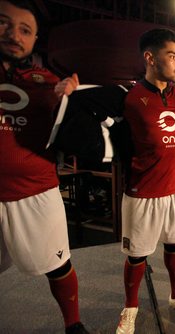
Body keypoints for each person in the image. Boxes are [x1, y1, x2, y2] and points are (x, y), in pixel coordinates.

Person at [0, 1, 87, 333]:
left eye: (25, 29)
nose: (13, 34)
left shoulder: (48, 81)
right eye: (4, 23)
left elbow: (75, 138)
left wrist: (71, 101)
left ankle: (73, 324)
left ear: (35, 39)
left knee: (58, 263)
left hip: (36, 191)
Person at [116, 28, 175, 333]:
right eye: (172, 56)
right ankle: (130, 308)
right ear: (150, 58)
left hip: (174, 191)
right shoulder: (131, 97)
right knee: (137, 256)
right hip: (141, 193)